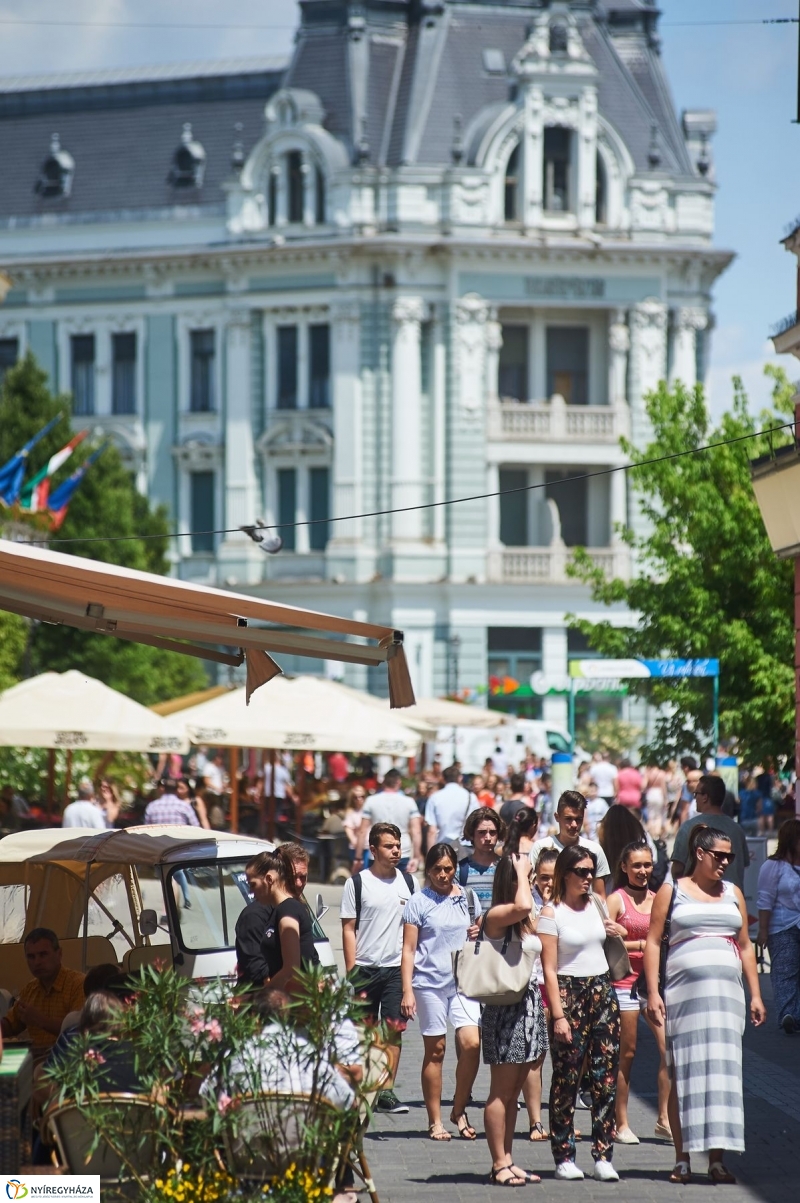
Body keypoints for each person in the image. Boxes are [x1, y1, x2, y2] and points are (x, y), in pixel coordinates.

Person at [645, 825, 766, 1185]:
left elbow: (745, 945)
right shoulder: (673, 890)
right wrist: (653, 992)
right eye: (720, 856)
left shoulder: (733, 893)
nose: (726, 862)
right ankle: (682, 1157)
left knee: (723, 1076)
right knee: (684, 1071)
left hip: (727, 999)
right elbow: (653, 942)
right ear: (699, 853)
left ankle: (717, 1159)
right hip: (684, 997)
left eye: (729, 856)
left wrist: (756, 993)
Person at [538, 846, 623, 1182]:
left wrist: (617, 931)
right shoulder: (551, 912)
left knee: (605, 1078)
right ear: (565, 873)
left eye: (591, 871)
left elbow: (605, 940)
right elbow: (548, 968)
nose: (589, 878)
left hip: (603, 992)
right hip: (568, 995)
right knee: (567, 1078)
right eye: (582, 872)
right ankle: (564, 1155)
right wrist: (557, 1015)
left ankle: (603, 1154)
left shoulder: (597, 904)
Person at [400, 843, 481, 1142]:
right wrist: (407, 990)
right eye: (437, 869)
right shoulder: (418, 902)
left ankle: (458, 1109)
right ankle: (435, 1120)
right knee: (436, 1050)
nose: (444, 875)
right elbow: (408, 950)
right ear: (429, 869)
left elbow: (478, 930)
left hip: (463, 982)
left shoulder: (467, 898)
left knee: (471, 1043)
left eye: (448, 869)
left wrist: (477, 930)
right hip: (428, 983)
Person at [480, 854, 548, 1187]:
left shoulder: (523, 917)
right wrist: (521, 871)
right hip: (506, 1009)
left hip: (530, 1005)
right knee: (501, 1092)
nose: (531, 880)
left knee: (514, 1093)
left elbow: (535, 921)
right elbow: (522, 905)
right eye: (526, 875)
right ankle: (497, 1163)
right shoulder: (496, 915)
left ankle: (508, 1159)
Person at [340, 822, 417, 1114]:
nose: (396, 850)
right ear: (373, 850)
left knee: (393, 1030)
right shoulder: (357, 883)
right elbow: (348, 928)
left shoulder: (408, 883)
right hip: (365, 968)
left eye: (398, 845)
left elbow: (414, 928)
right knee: (365, 1031)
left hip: (396, 969)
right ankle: (364, 1087)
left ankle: (386, 1091)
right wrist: (351, 970)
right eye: (389, 845)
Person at [605, 840, 670, 1144]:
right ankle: (621, 1122)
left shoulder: (659, 899)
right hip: (623, 984)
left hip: (652, 985)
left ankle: (664, 1119)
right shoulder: (616, 900)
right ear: (624, 867)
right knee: (627, 1054)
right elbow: (602, 941)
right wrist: (639, 945)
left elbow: (664, 940)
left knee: (668, 1052)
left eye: (647, 865)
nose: (643, 871)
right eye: (637, 866)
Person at [242, 847, 319, 995]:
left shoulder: (288, 909)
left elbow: (292, 968)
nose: (251, 892)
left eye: (253, 885)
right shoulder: (282, 909)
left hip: (295, 1005)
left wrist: (259, 998)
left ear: (269, 879)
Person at [1, 929, 85, 1056]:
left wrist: (41, 1020)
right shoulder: (30, 989)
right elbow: (10, 1024)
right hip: (35, 1062)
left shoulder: (78, 985)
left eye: (43, 954)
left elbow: (80, 1032)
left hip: (70, 1061)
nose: (37, 962)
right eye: (31, 957)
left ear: (59, 954)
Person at [757, 818, 800, 1034]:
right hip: (782, 926)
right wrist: (763, 930)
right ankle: (788, 1015)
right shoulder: (772, 866)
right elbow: (764, 899)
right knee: (785, 971)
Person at [670, 774, 749, 891]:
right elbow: (742, 866)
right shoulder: (737, 830)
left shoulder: (689, 827)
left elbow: (677, 869)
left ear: (705, 797)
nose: (695, 798)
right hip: (732, 902)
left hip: (696, 900)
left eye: (696, 794)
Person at [530, 791, 611, 898]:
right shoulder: (540, 847)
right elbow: (532, 886)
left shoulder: (595, 849)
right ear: (557, 817)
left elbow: (600, 895)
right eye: (568, 819)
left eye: (578, 819)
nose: (574, 825)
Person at [355, 769, 421, 873]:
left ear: (384, 782)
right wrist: (416, 857)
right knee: (401, 887)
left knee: (375, 887)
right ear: (398, 782)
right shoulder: (409, 802)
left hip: (378, 851)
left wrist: (358, 857)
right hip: (402, 850)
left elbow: (362, 831)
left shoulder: (371, 801)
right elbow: (416, 831)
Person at [457, 808, 504, 907]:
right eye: (481, 832)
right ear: (471, 834)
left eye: (492, 832)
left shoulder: (507, 868)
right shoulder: (460, 870)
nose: (488, 838)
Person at [425, 765, 479, 850]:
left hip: (443, 848)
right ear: (460, 778)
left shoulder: (434, 798)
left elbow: (432, 831)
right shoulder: (471, 797)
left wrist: (430, 857)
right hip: (465, 846)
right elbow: (477, 823)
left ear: (443, 779)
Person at [343, 786, 367, 867]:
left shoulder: (369, 810)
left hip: (369, 846)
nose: (359, 799)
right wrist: (354, 841)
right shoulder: (351, 812)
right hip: (356, 847)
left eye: (361, 796)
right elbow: (348, 828)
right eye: (356, 797)